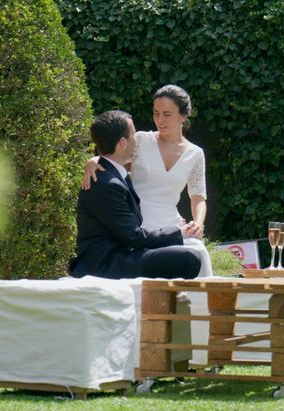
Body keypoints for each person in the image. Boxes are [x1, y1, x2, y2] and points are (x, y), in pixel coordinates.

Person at [83, 85, 213, 277]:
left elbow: (198, 196)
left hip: (171, 223)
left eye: (167, 114)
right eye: (156, 113)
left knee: (198, 252)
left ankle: (194, 305)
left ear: (183, 116)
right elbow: (112, 154)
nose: (160, 120)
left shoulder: (195, 153)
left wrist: (198, 224)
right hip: (137, 221)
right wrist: (92, 161)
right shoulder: (141, 140)